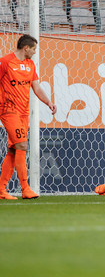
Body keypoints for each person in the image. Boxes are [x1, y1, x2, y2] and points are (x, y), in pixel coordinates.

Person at [0, 34, 57, 200]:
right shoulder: (5, 62)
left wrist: (49, 102)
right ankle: (25, 188)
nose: (34, 52)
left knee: (13, 149)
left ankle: (1, 190)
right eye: (33, 49)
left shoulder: (30, 64)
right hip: (8, 110)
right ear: (26, 48)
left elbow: (37, 88)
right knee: (22, 145)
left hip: (24, 112)